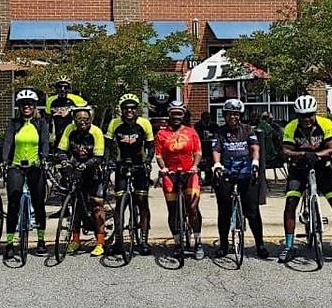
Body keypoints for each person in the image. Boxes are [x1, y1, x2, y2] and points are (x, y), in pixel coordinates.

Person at [279, 95, 332, 263]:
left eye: (310, 115)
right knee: (290, 203)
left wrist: (316, 155)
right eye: (302, 116)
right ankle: (289, 246)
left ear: (315, 113)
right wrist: (302, 154)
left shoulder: (325, 124)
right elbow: (285, 151)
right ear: (297, 116)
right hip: (299, 170)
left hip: (323, 169)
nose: (306, 119)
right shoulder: (291, 127)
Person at [210, 99, 267, 259]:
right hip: (226, 173)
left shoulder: (248, 129)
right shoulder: (220, 132)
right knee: (224, 211)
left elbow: (255, 147)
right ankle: (223, 245)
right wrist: (217, 165)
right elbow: (216, 149)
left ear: (240, 115)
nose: (232, 117)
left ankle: (260, 245)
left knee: (252, 211)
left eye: (235, 114)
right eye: (229, 114)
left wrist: (255, 162)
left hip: (246, 172)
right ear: (225, 115)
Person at [1, 88, 51, 259]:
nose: (26, 107)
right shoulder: (13, 123)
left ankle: (41, 241)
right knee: (13, 203)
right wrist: (4, 160)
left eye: (30, 104)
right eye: (23, 104)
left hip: (35, 166)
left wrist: (43, 157)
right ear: (19, 106)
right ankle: (9, 243)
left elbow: (45, 142)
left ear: (34, 105)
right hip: (16, 166)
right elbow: (7, 142)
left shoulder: (41, 123)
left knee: (38, 204)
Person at [154, 100, 204, 259]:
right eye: (173, 114)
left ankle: (198, 241)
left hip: (190, 173)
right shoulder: (161, 134)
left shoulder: (191, 132)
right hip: (170, 174)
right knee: (173, 210)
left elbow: (198, 152)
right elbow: (159, 155)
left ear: (183, 115)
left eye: (179, 114)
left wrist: (195, 166)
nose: (176, 117)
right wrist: (163, 168)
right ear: (169, 115)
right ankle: (177, 242)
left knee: (193, 207)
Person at [107, 93, 155, 256]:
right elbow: (108, 145)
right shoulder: (114, 123)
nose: (129, 111)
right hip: (121, 165)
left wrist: (148, 161)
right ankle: (118, 241)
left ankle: (144, 240)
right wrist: (111, 161)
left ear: (137, 110)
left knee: (142, 202)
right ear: (122, 110)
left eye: (133, 108)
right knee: (120, 202)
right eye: (126, 108)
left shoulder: (144, 123)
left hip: (139, 165)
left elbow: (150, 146)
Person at [56, 106, 108, 256]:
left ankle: (100, 243)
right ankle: (76, 240)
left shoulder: (96, 132)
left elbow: (99, 156)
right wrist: (65, 162)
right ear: (74, 120)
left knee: (97, 205)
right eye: (79, 119)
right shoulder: (70, 129)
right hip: (76, 169)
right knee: (76, 206)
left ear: (91, 119)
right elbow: (61, 150)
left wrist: (85, 165)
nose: (82, 122)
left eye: (86, 119)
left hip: (93, 171)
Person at [46, 77, 87, 147]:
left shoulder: (76, 99)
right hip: (57, 135)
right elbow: (47, 119)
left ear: (69, 89)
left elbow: (88, 113)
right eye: (60, 87)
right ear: (56, 88)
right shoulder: (50, 100)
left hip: (73, 135)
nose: (62, 89)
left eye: (65, 87)